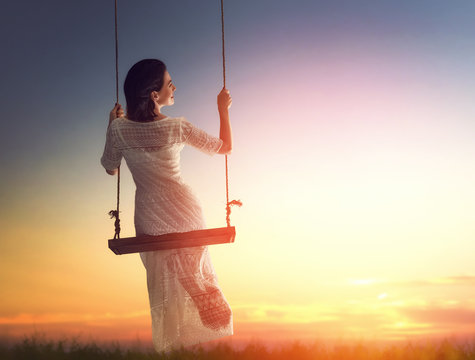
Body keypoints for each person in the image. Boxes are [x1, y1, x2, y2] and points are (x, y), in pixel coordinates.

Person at [101, 59, 233, 352]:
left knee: (169, 266)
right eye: (169, 83)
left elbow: (111, 168)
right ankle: (199, 287)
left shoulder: (120, 129)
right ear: (154, 95)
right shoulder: (178, 127)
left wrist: (112, 125)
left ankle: (194, 289)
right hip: (186, 210)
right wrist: (223, 110)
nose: (174, 87)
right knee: (191, 264)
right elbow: (225, 147)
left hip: (149, 214)